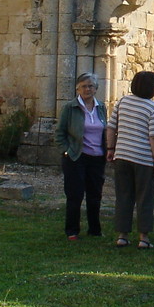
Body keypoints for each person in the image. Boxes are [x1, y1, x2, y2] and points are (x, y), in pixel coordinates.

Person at [105, 70, 154, 249]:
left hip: (122, 155)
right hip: (143, 159)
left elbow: (111, 127)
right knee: (144, 198)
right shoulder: (152, 108)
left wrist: (110, 148)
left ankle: (122, 235)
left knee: (123, 195)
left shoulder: (123, 102)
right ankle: (143, 237)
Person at [54, 72, 107, 240]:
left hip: (97, 157)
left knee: (95, 195)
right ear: (77, 88)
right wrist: (67, 151)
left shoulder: (101, 107)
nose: (87, 89)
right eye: (84, 86)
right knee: (75, 195)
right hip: (76, 157)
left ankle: (95, 229)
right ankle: (72, 231)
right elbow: (59, 133)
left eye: (91, 86)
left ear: (96, 88)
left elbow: (105, 129)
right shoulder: (70, 107)